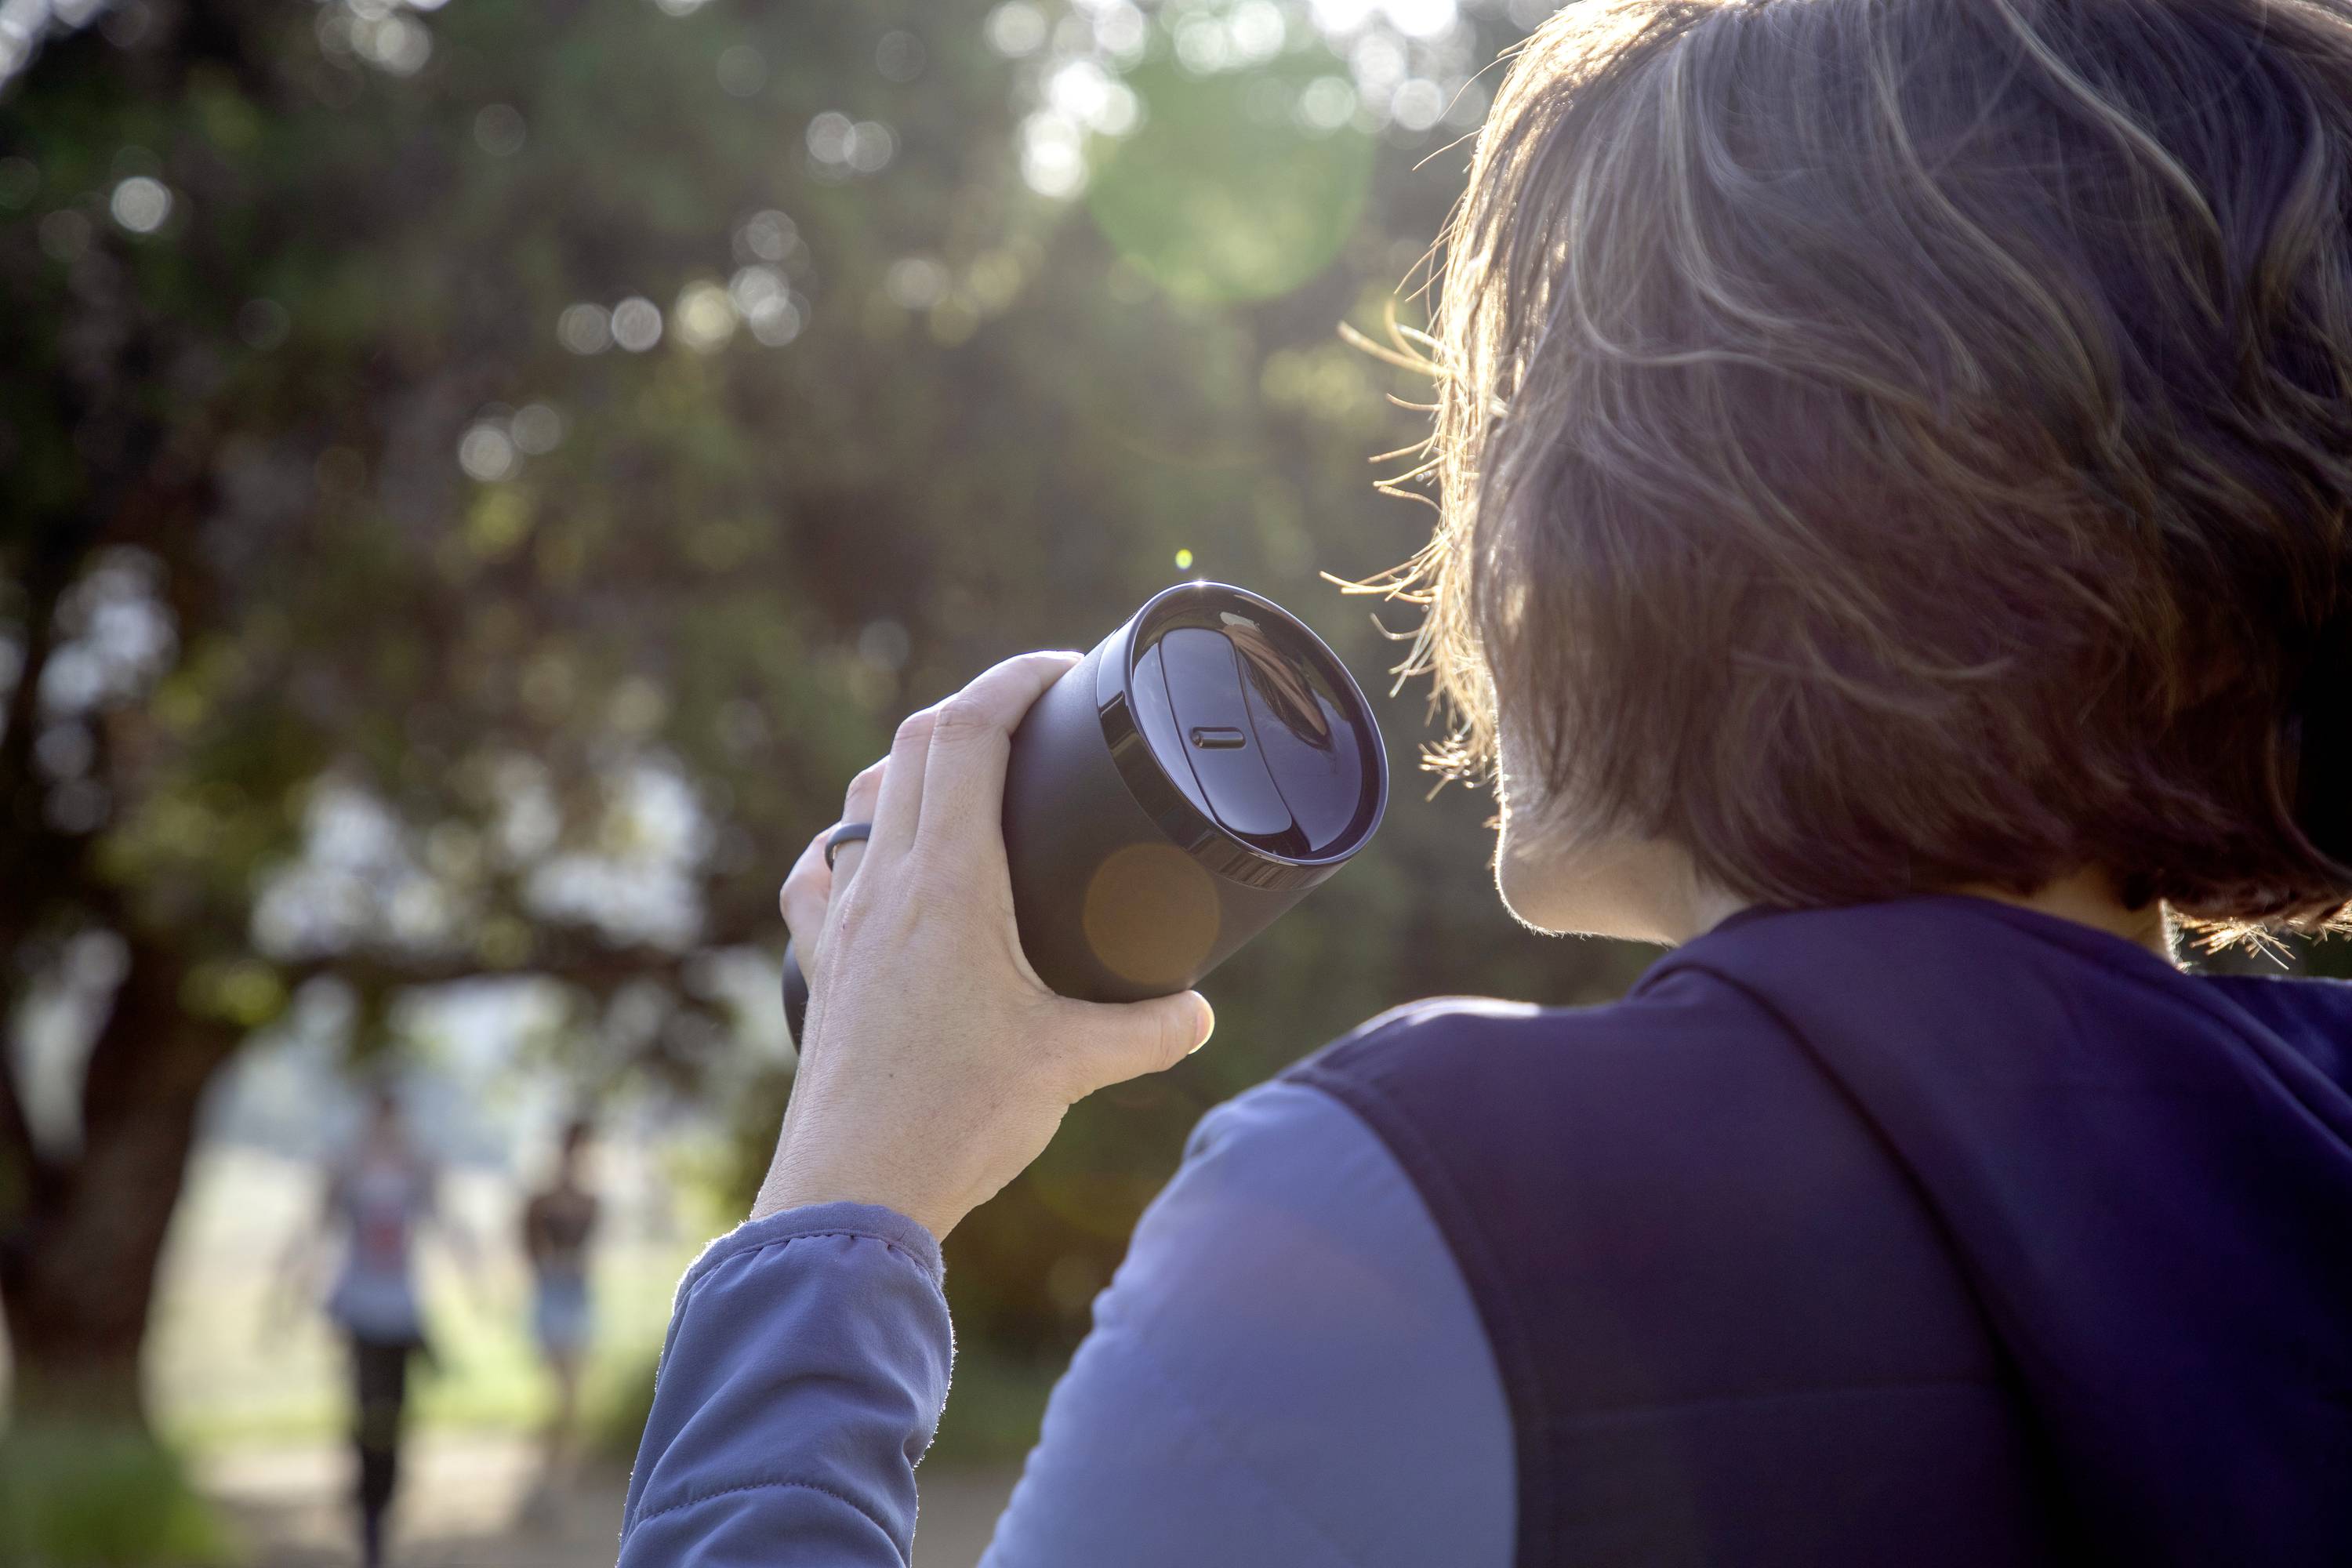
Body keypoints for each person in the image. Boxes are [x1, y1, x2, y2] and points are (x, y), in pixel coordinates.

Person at [617, 0, 2352, 1562]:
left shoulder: (1414, 1210)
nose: (1467, 541)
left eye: (1515, 426)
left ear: (1690, 509)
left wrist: (844, 1197)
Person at [275, 1085, 466, 1568]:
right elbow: (315, 1230)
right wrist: (287, 1296)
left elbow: (448, 1223)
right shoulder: (346, 1165)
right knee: (366, 1411)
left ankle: (385, 1496)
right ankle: (367, 1505)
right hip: (360, 1312)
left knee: (394, 1414)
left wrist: (479, 1276)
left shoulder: (417, 1166)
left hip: (402, 1314)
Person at [521, 1117, 601, 1484]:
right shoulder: (542, 1200)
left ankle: (561, 1457)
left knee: (572, 1383)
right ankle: (554, 1455)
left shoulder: (591, 1200)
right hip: (553, 1291)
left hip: (576, 1292)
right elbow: (528, 1246)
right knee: (560, 1380)